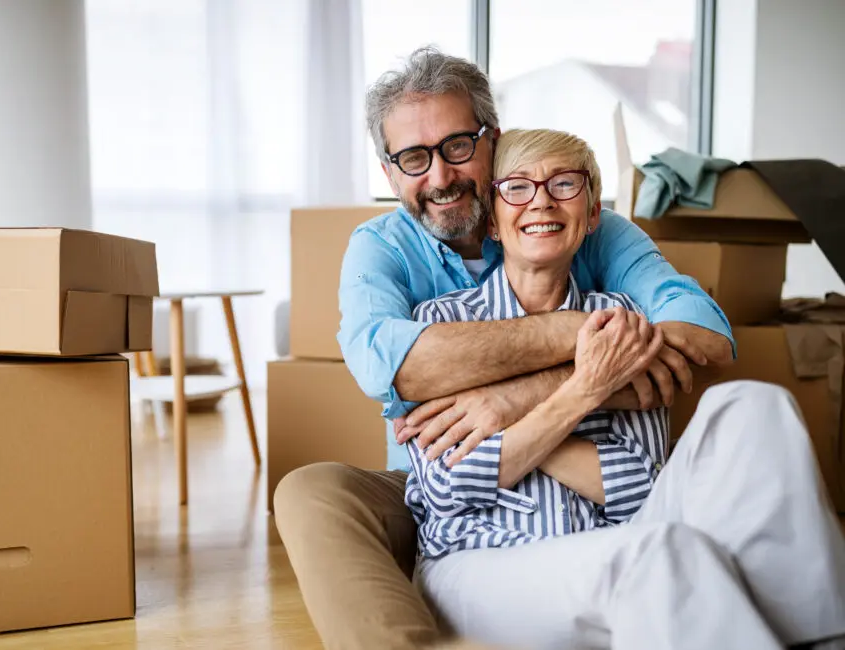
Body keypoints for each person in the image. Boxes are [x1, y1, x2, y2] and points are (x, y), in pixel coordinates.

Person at [275, 46, 725, 649]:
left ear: (493, 140)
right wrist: (586, 337)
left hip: (580, 498)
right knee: (310, 492)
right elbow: (395, 370)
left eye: (458, 146)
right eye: (414, 158)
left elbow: (702, 336)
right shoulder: (381, 248)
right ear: (389, 173)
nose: (440, 177)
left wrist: (515, 399)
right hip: (438, 487)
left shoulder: (580, 222)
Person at [406, 127, 845, 649]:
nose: (541, 200)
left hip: (607, 541)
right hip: (480, 563)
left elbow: (639, 486)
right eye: (517, 187)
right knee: (655, 553)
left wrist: (510, 418)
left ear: (592, 215)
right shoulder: (440, 325)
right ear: (493, 222)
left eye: (564, 184)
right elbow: (447, 485)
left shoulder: (623, 322)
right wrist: (585, 391)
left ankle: (819, 637)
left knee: (753, 403)